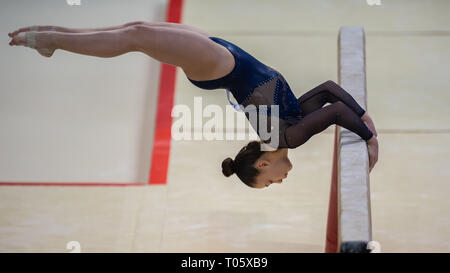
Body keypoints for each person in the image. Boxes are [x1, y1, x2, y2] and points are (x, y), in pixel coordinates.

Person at [8, 21, 379, 189]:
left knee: (135, 36)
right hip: (223, 57)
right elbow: (331, 96)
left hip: (220, 65)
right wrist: (366, 130)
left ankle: (52, 38)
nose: (279, 181)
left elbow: (334, 110)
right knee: (135, 30)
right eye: (272, 184)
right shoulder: (291, 128)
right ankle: (55, 35)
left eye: (269, 183)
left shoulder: (287, 134)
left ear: (262, 163)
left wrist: (364, 130)